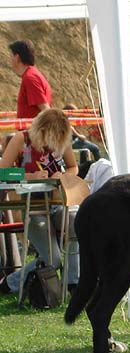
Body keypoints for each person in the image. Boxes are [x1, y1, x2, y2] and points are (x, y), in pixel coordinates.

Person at [0, 109, 79, 295]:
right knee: (53, 260)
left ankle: (72, 284)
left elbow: (73, 167)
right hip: (33, 207)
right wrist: (30, 175)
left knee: (75, 223)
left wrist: (63, 175)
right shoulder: (22, 139)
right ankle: (10, 283)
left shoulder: (62, 138)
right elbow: (3, 172)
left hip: (58, 202)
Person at [9, 39, 51, 119]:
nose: (10, 60)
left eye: (11, 56)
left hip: (32, 130)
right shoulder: (32, 74)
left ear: (17, 58)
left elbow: (46, 110)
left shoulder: (30, 78)